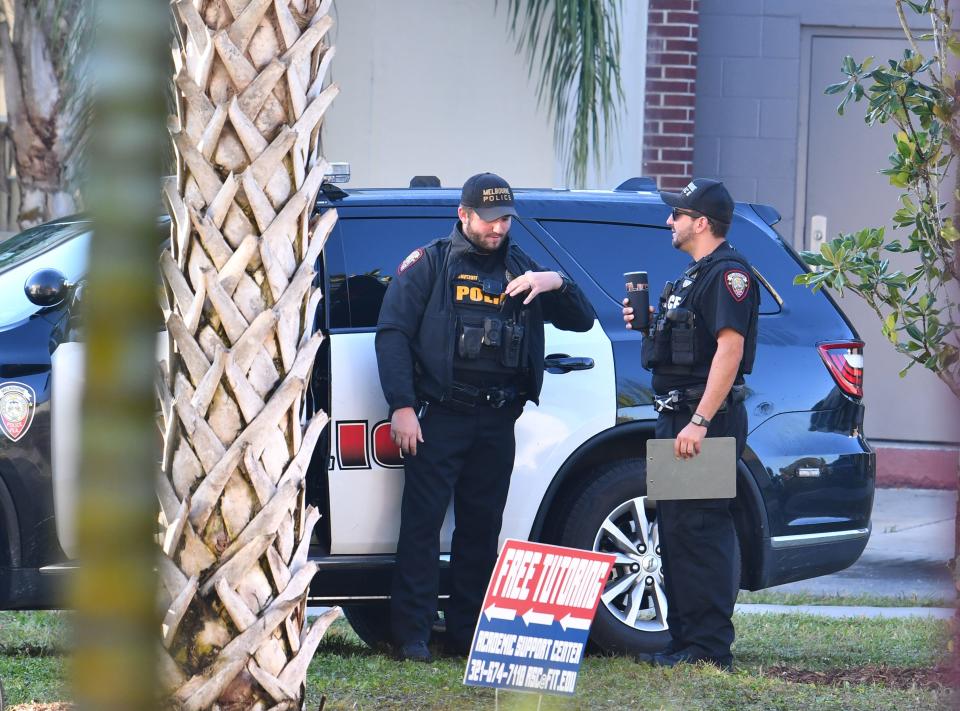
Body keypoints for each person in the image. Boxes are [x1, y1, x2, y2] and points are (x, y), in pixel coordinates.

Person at [376, 172, 594, 662]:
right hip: (441, 416)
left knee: (481, 529)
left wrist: (553, 280)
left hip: (497, 420)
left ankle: (466, 633)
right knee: (422, 526)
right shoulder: (432, 262)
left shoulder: (522, 266)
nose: (499, 229)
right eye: (490, 220)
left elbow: (581, 319)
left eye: (505, 220)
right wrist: (403, 406)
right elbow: (392, 333)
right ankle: (411, 634)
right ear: (464, 215)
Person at [622, 178, 759, 671]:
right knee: (677, 529)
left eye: (676, 215)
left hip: (704, 421)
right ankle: (684, 641)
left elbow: (730, 348)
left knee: (701, 529)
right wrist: (655, 322)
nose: (669, 221)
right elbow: (698, 339)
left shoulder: (729, 275)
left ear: (701, 223)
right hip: (677, 416)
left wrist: (701, 420)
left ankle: (709, 648)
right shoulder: (694, 277)